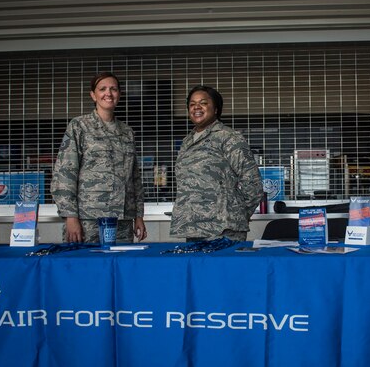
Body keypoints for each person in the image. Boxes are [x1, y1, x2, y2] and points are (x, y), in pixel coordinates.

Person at [51, 72, 146, 244]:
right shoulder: (79, 126)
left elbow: (135, 179)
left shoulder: (127, 132)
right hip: (88, 220)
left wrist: (138, 216)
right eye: (102, 89)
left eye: (113, 89)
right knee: (83, 268)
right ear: (93, 95)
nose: (108, 93)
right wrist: (70, 217)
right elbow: (64, 174)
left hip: (122, 221)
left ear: (119, 94)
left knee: (120, 268)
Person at [168, 85, 263, 242]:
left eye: (203, 103)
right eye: (192, 104)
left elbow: (253, 184)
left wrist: (236, 214)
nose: (196, 107)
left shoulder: (228, 137)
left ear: (216, 109)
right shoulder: (187, 142)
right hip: (193, 228)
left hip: (223, 230)